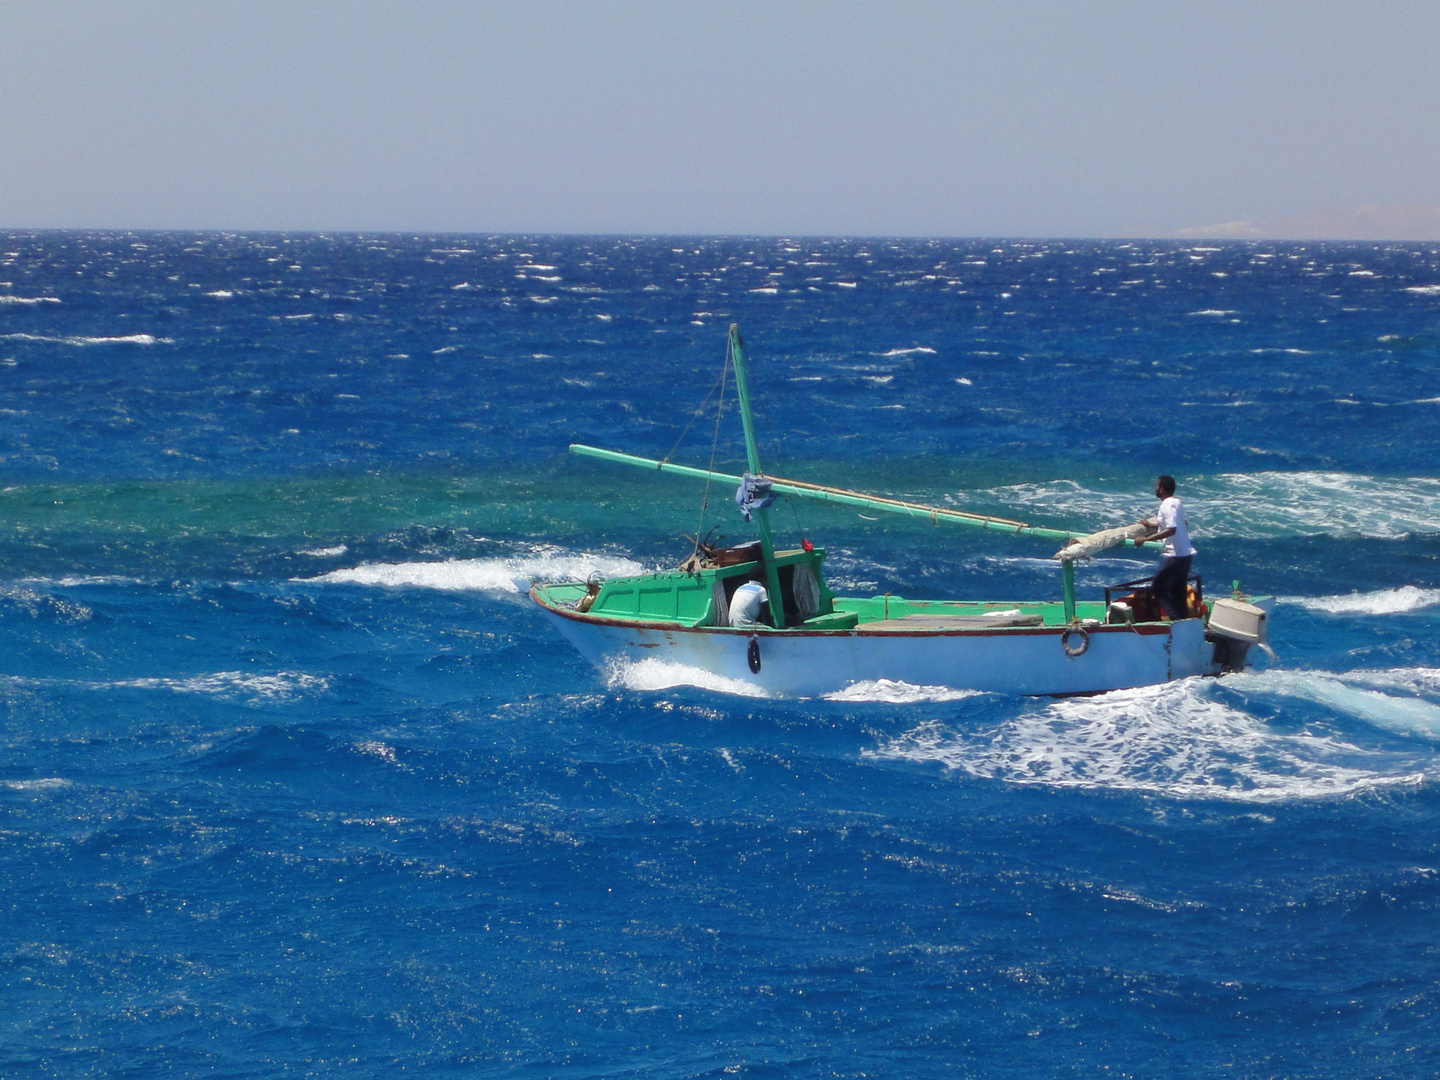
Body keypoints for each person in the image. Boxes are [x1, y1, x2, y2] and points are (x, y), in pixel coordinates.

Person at [1133, 475, 1196, 620]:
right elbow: (1178, 523)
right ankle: (1183, 622)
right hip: (1185, 554)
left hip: (1176, 555)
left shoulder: (1167, 504)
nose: (1155, 488)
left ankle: (1175, 620)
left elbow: (1171, 529)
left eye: (1157, 486)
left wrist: (1145, 539)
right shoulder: (1177, 502)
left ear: (1161, 489)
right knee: (1178, 591)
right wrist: (1151, 525)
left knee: (1158, 587)